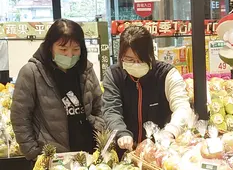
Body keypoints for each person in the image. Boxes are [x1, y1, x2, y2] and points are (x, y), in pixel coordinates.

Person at [11, 19, 104, 160]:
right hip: (52, 157)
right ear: (50, 47)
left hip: (89, 153)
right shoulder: (32, 72)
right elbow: (20, 117)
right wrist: (33, 152)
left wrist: (101, 136)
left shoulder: (86, 70)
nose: (69, 55)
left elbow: (99, 106)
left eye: (75, 49)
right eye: (63, 49)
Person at [102, 26, 191, 154]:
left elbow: (182, 106)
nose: (136, 64)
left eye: (141, 59)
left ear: (150, 55)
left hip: (161, 151)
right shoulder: (114, 75)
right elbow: (111, 109)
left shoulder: (167, 74)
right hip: (125, 150)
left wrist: (171, 130)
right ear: (121, 56)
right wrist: (121, 133)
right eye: (129, 59)